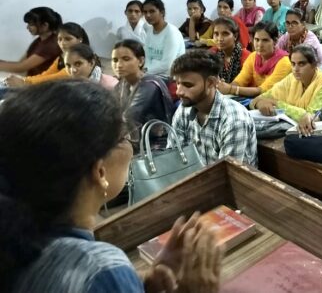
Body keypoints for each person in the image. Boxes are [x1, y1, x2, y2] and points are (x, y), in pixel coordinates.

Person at [0, 80, 222, 293]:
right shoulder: (100, 270)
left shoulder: (14, 241)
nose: (131, 146)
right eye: (125, 137)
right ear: (99, 172)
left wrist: (140, 287)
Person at [170, 50, 257, 166]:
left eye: (188, 85)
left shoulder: (234, 120)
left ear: (211, 82)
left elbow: (227, 176)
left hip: (224, 182)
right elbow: (174, 159)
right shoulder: (183, 109)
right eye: (178, 83)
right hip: (196, 179)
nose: (178, 92)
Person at [250, 45, 322, 121]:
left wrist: (276, 103)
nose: (296, 69)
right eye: (293, 64)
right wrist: (260, 104)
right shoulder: (292, 78)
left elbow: (312, 117)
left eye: (301, 64)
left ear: (314, 65)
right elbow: (257, 100)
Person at [4, 22, 89, 87]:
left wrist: (24, 83)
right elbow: (46, 75)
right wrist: (24, 79)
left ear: (80, 40)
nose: (62, 43)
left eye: (68, 39)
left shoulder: (82, 59)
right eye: (60, 39)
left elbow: (55, 78)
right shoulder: (61, 57)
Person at [112, 39, 175, 128]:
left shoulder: (150, 84)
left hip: (155, 140)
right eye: (115, 60)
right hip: (132, 135)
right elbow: (110, 111)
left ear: (141, 61)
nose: (118, 65)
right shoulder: (122, 84)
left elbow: (130, 116)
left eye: (126, 59)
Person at [228, 22, 292, 98]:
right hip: (253, 99)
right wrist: (227, 88)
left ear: (275, 41)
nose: (260, 45)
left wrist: (232, 89)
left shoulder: (284, 62)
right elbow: (240, 80)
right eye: (257, 39)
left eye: (265, 40)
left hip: (273, 102)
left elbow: (263, 90)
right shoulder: (253, 56)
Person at [0, 7, 62, 76]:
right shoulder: (38, 41)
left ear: (45, 25)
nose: (27, 27)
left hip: (43, 84)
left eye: (31, 25)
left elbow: (21, 67)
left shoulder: (52, 44)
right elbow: (21, 63)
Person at [142, 0, 186, 77]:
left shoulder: (171, 32)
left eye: (152, 11)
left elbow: (167, 65)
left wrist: (144, 73)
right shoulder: (150, 30)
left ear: (162, 12)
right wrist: (145, 70)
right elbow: (148, 58)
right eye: (145, 12)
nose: (148, 15)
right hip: (151, 73)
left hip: (169, 76)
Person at [207, 17, 251, 92]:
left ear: (235, 36)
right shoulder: (212, 53)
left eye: (225, 34)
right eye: (216, 34)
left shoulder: (247, 57)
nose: (220, 38)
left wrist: (229, 88)